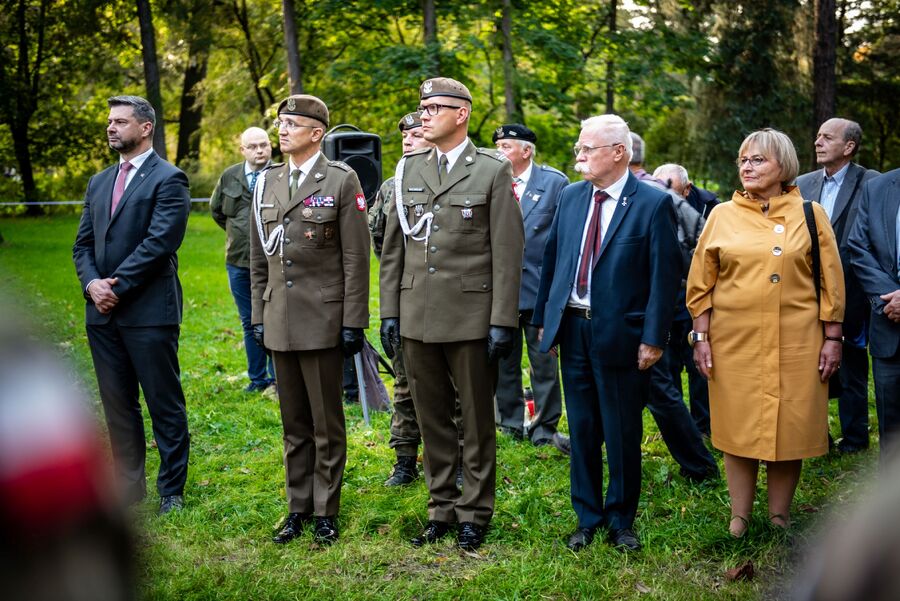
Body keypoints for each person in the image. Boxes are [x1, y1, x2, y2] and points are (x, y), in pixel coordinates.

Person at [379, 77, 524, 551]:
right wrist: (389, 313)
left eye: (435, 107)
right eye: (422, 107)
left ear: (461, 114)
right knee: (432, 417)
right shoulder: (408, 170)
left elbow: (506, 250)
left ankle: (474, 513)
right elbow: (395, 248)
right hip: (416, 311)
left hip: (470, 315)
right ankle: (440, 507)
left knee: (477, 423)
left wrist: (502, 320)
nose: (424, 115)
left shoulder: (491, 170)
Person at [533, 114, 681, 552]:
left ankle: (621, 520)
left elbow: (664, 277)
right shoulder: (572, 197)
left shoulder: (652, 203)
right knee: (581, 429)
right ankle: (587, 516)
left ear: (618, 152)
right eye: (578, 148)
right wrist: (547, 319)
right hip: (573, 329)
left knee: (621, 432)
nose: (578, 156)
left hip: (622, 334)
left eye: (586, 149)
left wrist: (654, 337)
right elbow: (554, 261)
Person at [686, 128, 845, 538]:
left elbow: (831, 281)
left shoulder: (810, 213)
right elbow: (700, 283)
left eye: (758, 160)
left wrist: (833, 337)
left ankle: (779, 518)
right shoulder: (721, 214)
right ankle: (738, 519)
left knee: (788, 428)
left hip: (798, 342)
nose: (747, 167)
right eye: (743, 160)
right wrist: (701, 338)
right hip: (734, 342)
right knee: (737, 429)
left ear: (783, 166)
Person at [250, 94, 370, 545]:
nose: (282, 130)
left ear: (316, 133)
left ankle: (326, 509)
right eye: (280, 123)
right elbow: (260, 257)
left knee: (325, 422)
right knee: (293, 422)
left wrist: (353, 320)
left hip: (323, 318)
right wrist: (259, 315)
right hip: (280, 318)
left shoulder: (340, 179)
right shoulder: (267, 182)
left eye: (292, 124)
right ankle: (297, 507)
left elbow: (357, 258)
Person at [73, 95, 191, 516]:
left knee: (164, 402)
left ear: (145, 128)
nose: (111, 127)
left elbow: (159, 244)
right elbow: (83, 244)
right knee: (118, 404)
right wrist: (91, 286)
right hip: (102, 314)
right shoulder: (98, 182)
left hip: (148, 312)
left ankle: (171, 490)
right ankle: (128, 485)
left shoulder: (169, 179)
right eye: (109, 121)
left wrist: (114, 286)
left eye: (120, 121)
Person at [629, 162, 717, 483]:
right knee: (628, 387)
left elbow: (702, 246)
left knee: (661, 389)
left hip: (664, 308)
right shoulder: (590, 195)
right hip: (625, 311)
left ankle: (700, 462)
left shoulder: (656, 196)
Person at [797, 118, 880, 453]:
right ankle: (818, 436)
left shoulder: (870, 182)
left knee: (852, 366)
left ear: (849, 147)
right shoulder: (802, 183)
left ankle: (856, 438)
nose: (818, 142)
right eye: (817, 135)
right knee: (807, 364)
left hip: (854, 291)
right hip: (806, 291)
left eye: (827, 137)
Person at [491, 123, 570, 454]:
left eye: (506, 146)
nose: (499, 151)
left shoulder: (554, 183)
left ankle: (544, 426)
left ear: (526, 151)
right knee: (503, 360)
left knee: (544, 363)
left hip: (541, 291)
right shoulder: (490, 179)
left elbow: (565, 241)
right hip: (500, 291)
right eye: (497, 146)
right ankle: (509, 421)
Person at [369, 111, 431, 486]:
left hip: (444, 298)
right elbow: (381, 240)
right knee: (405, 382)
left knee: (452, 387)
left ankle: (455, 457)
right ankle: (405, 457)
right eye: (405, 136)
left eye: (417, 134)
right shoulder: (391, 186)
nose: (408, 140)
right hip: (404, 296)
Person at [209, 126, 276, 393]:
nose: (260, 150)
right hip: (238, 262)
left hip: (273, 260)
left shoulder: (280, 175)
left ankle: (280, 378)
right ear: (243, 150)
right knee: (250, 321)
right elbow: (217, 212)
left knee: (275, 318)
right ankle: (258, 380)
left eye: (264, 145)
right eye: (253, 146)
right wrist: (239, 235)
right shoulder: (230, 176)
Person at [652, 163, 714, 437]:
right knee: (670, 366)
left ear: (686, 190)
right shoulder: (651, 205)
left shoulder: (709, 210)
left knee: (698, 367)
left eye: (672, 190)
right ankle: (681, 427)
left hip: (694, 304)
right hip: (666, 306)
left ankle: (703, 424)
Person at [848, 168, 900, 458]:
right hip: (889, 325)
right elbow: (859, 247)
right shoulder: (877, 187)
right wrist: (890, 300)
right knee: (890, 434)